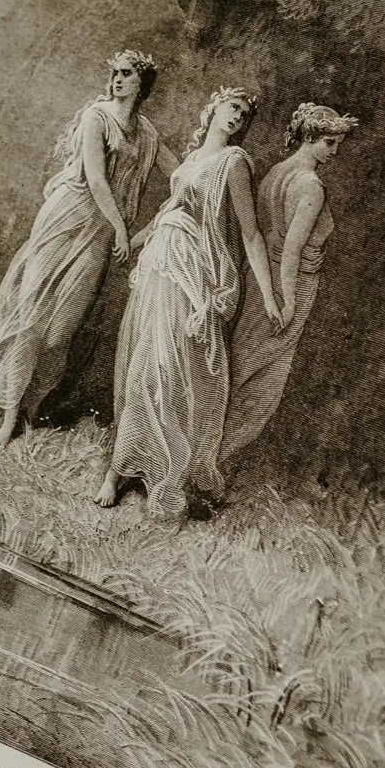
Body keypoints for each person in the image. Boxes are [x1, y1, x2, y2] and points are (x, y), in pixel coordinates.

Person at [0, 50, 170, 448]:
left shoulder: (146, 133)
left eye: (126, 74)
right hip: (67, 218)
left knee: (61, 333)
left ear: (141, 84)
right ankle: (10, 417)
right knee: (32, 316)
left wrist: (210, 171)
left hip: (97, 234)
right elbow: (96, 179)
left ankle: (30, 409)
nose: (116, 79)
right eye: (114, 73)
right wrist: (120, 228)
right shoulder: (97, 118)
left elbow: (181, 174)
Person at [98, 88, 283, 516]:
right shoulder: (193, 158)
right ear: (214, 108)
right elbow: (169, 209)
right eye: (232, 107)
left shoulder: (233, 163)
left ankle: (163, 473)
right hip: (161, 262)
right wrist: (132, 238)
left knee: (169, 365)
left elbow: (251, 234)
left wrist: (269, 295)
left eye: (244, 114)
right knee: (142, 357)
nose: (237, 117)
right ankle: (118, 467)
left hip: (194, 270)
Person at [224, 103, 356, 456]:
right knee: (263, 382)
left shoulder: (275, 172)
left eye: (338, 144)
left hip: (258, 278)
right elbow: (293, 253)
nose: (334, 151)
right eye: (329, 143)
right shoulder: (310, 186)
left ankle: (202, 460)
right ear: (309, 137)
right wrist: (289, 302)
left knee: (241, 365)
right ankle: (208, 467)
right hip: (289, 284)